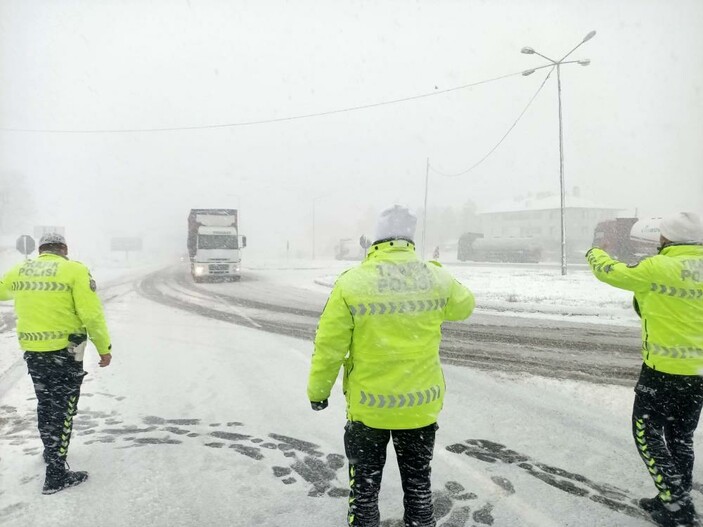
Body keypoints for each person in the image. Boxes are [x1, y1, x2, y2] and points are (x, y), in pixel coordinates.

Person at [307, 205, 475, 527]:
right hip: (420, 407)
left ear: (375, 238)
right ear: (411, 238)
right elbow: (465, 305)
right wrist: (434, 271)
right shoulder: (435, 277)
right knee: (418, 488)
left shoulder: (352, 283)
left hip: (369, 411)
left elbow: (329, 347)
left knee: (365, 493)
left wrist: (319, 391)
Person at [586, 212, 703, 527]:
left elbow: (609, 271)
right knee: (681, 437)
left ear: (666, 239)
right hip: (698, 374)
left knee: (647, 433)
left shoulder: (657, 267)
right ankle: (670, 498)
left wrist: (596, 250)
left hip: (661, 372)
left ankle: (677, 506)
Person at [0, 233, 112, 494]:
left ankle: (50, 450)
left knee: (47, 402)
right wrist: (103, 347)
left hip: (34, 351)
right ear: (64, 249)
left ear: (40, 250)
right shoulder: (74, 269)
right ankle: (56, 474)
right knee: (64, 406)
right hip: (66, 351)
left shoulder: (21, 270)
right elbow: (91, 314)